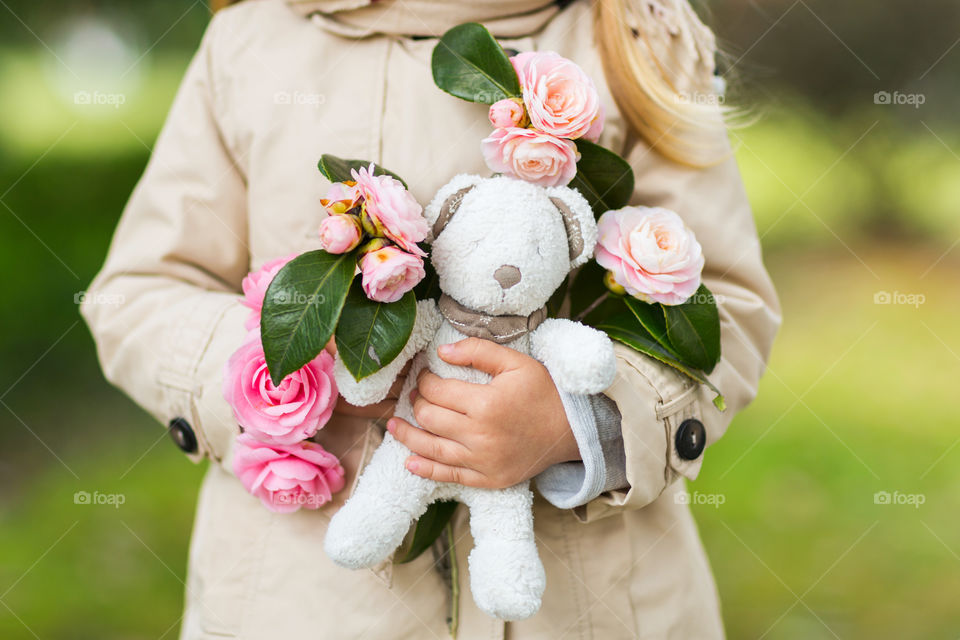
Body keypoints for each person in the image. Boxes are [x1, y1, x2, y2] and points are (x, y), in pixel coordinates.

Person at [81, 0, 780, 637]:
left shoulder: (635, 37)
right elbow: (141, 290)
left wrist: (577, 420)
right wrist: (289, 369)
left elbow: (726, 302)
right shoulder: (252, 42)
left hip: (589, 607)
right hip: (302, 605)